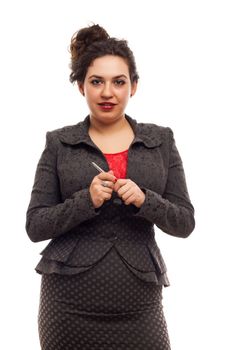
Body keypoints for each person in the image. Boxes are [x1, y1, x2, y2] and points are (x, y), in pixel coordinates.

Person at [26, 24, 195, 350]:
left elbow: (184, 222)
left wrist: (147, 200)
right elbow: (36, 225)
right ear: (81, 87)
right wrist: (85, 200)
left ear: (134, 86)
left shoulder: (161, 140)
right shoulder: (59, 143)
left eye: (119, 82)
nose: (108, 92)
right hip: (67, 307)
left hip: (140, 305)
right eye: (96, 82)